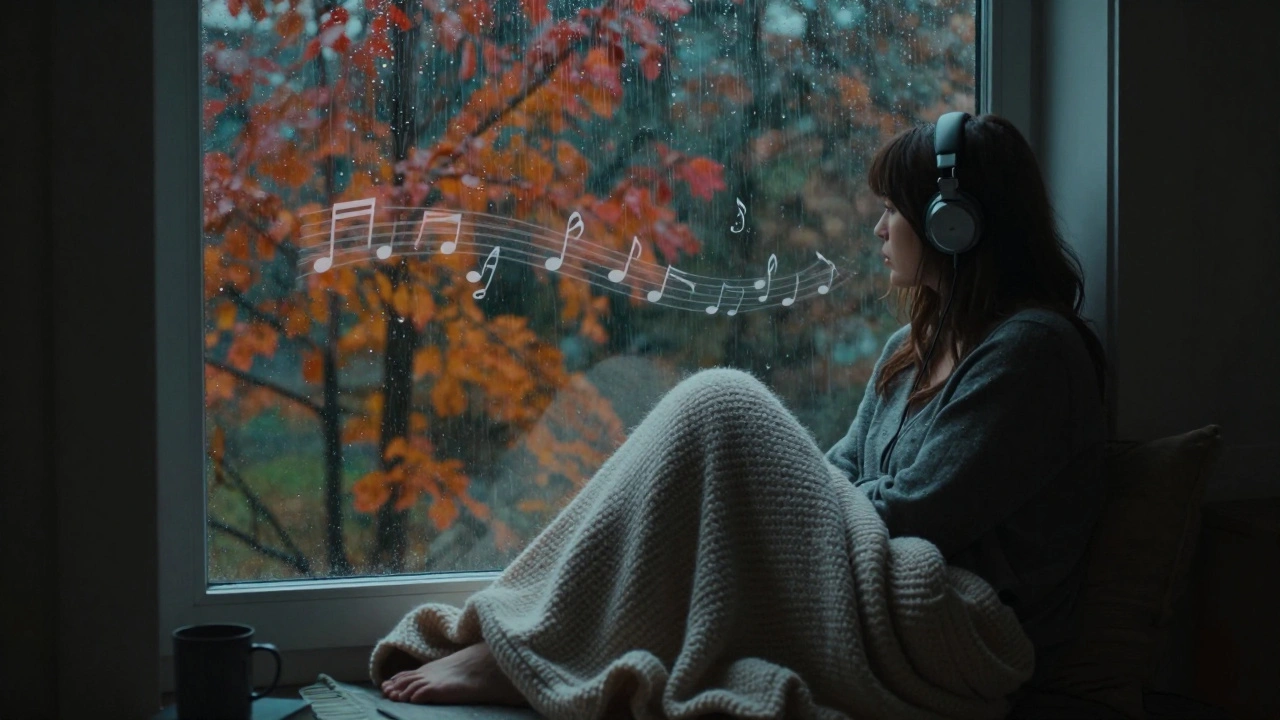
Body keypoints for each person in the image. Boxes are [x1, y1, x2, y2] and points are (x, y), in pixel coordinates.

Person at [378, 112, 1109, 713]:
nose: (879, 229)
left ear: (956, 224)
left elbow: (919, 515)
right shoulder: (909, 350)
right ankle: (520, 634)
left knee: (722, 400)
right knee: (714, 413)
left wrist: (784, 500)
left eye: (894, 211)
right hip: (876, 578)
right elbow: (841, 470)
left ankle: (524, 649)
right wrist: (788, 500)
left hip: (954, 624)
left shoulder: (1034, 352)